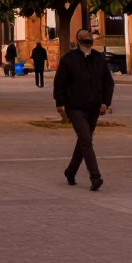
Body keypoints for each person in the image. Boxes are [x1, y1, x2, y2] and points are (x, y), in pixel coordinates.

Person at [53, 29, 114, 191]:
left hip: (93, 106)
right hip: (75, 107)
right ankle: (95, 176)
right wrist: (60, 104)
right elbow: (59, 82)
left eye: (90, 42)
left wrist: (105, 103)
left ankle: (70, 171)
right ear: (78, 42)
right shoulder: (68, 60)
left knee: (83, 141)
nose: (88, 45)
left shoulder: (98, 58)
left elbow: (108, 82)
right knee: (86, 140)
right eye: (85, 42)